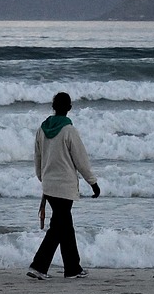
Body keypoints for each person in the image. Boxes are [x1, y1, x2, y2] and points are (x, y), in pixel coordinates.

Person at [27, 91, 100, 279]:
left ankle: (73, 268)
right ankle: (38, 266)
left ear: (53, 107)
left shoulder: (42, 129)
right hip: (65, 187)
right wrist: (93, 182)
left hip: (49, 186)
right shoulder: (69, 131)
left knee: (65, 227)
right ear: (69, 108)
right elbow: (81, 160)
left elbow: (38, 157)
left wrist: (42, 178)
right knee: (59, 228)